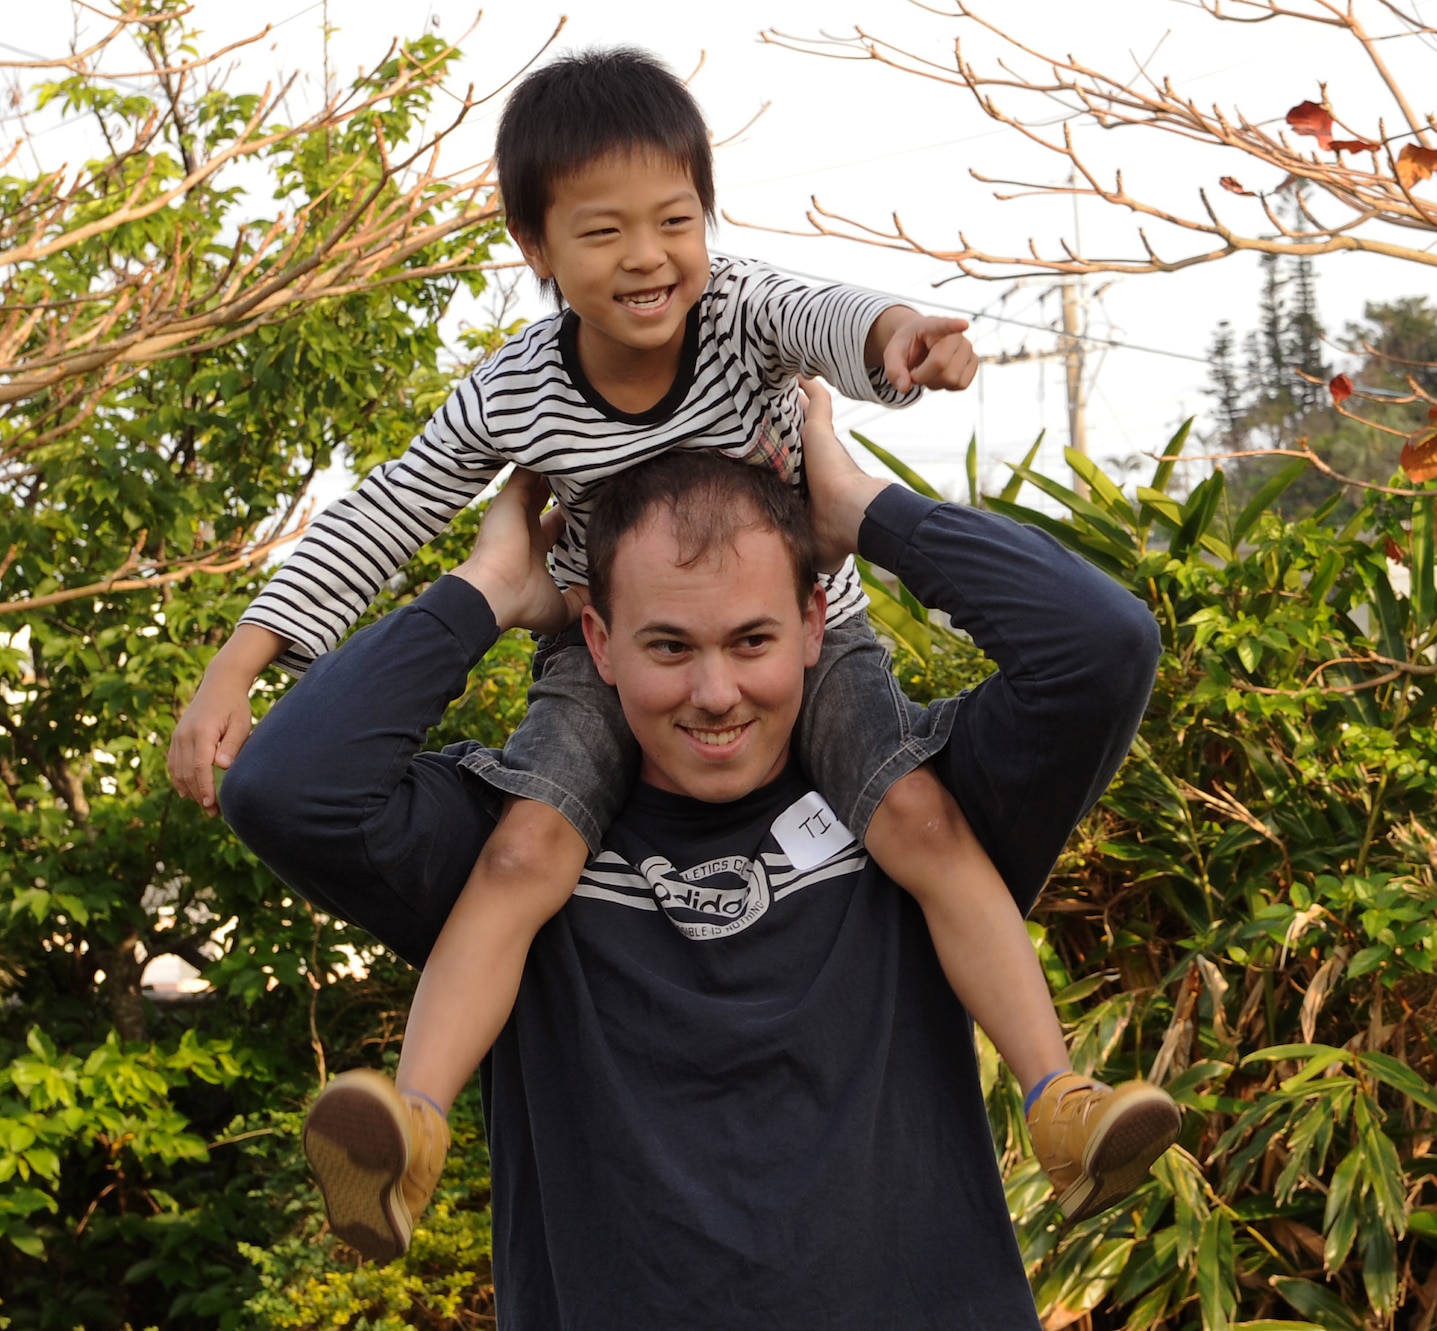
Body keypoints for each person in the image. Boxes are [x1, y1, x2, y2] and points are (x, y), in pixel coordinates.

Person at [167, 47, 1173, 1259]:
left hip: (829, 638)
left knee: (917, 819)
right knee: (525, 849)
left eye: (674, 221)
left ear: (709, 220)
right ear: (536, 250)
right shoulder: (514, 395)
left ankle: (1056, 1101)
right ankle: (411, 1133)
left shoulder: (744, 313)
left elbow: (835, 317)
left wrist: (900, 346)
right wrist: (250, 656)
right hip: (594, 672)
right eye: (601, 232)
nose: (647, 257)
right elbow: (385, 512)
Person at [218, 382, 1170, 1325]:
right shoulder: (511, 842)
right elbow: (286, 789)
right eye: (668, 646)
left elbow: (1103, 645)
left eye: (751, 639)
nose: (716, 693)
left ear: (811, 624)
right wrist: (486, 592)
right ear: (598, 638)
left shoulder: (919, 803)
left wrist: (865, 512)